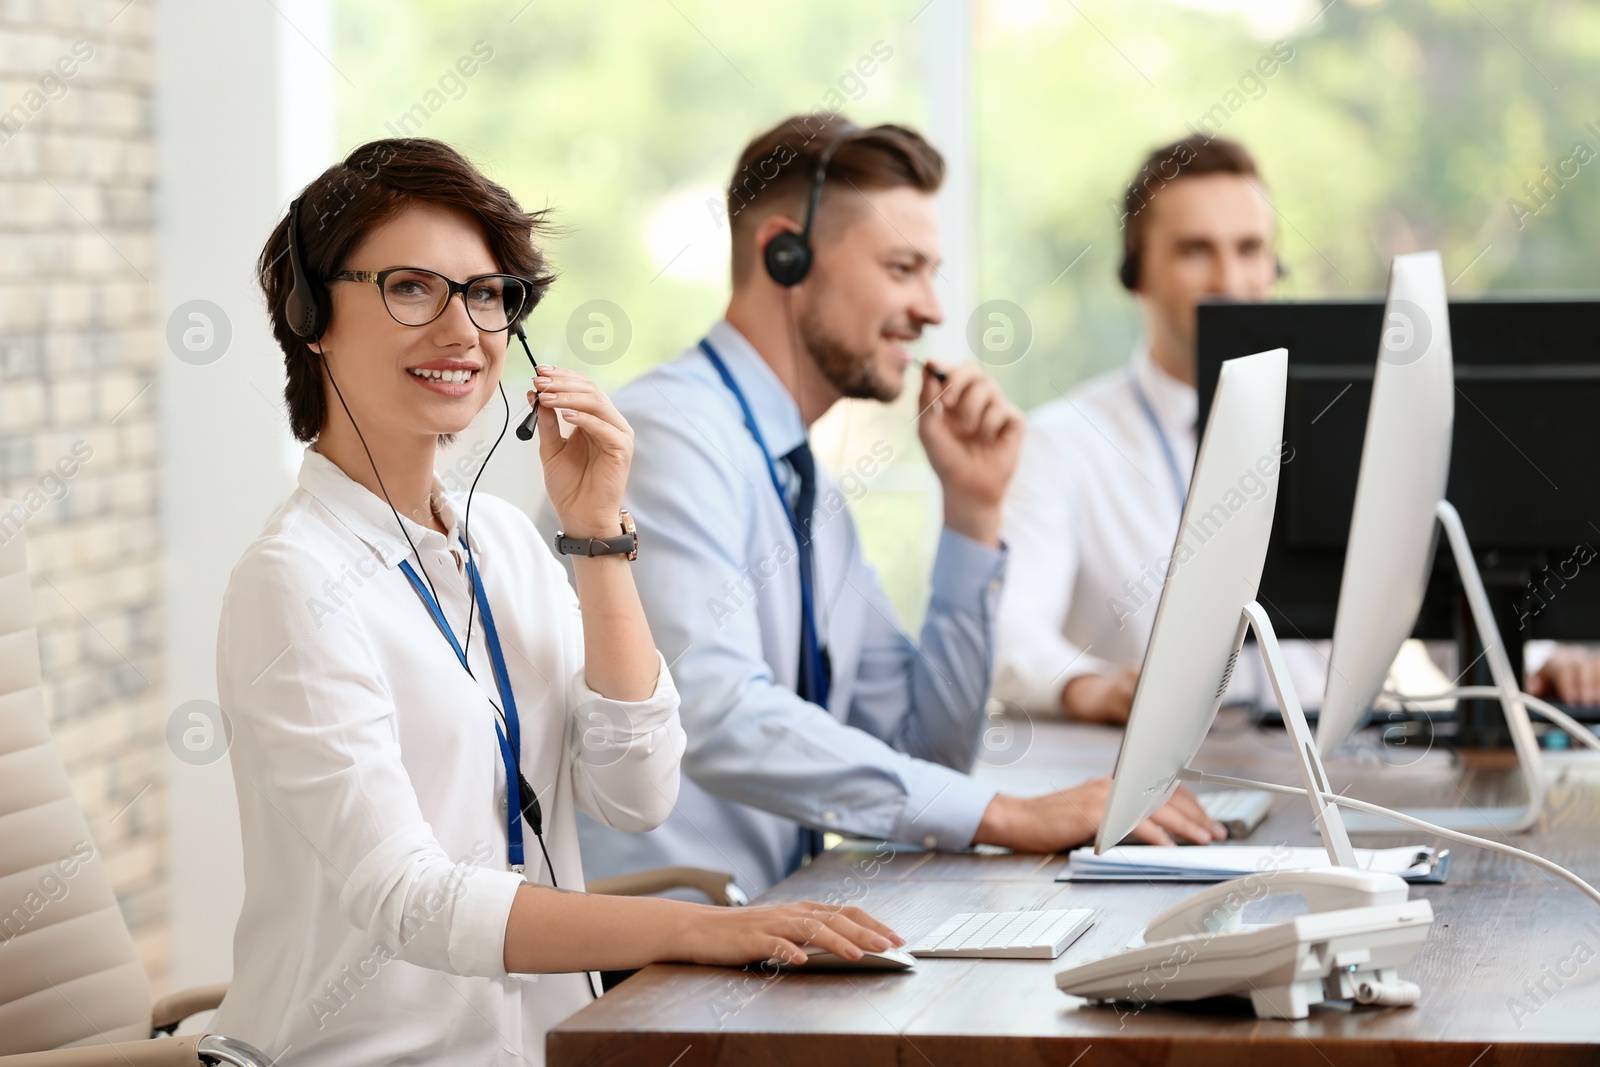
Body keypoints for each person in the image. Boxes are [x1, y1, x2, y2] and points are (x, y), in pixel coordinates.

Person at [213, 138, 900, 1067]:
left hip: (553, 1048)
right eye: (413, 287)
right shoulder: (293, 580)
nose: (463, 331)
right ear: (312, 314)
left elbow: (637, 792)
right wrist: (692, 930)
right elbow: (410, 899)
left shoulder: (500, 543)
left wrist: (600, 536)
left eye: (490, 293)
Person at [571, 117, 1221, 909]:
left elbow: (928, 747)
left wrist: (973, 515)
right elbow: (713, 713)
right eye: (904, 268)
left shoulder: (804, 484)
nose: (931, 309)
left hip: (772, 934)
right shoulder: (672, 439)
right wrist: (1008, 814)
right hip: (658, 967)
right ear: (788, 254)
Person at [995, 134, 1600, 726]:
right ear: (1136, 274)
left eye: (1250, 248)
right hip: (1175, 786)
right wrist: (1092, 688)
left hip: (1336, 768)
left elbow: (1438, 613)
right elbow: (1011, 635)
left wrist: (1541, 661)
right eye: (1194, 250)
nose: (1229, 280)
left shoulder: (1340, 423)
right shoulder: (1063, 444)